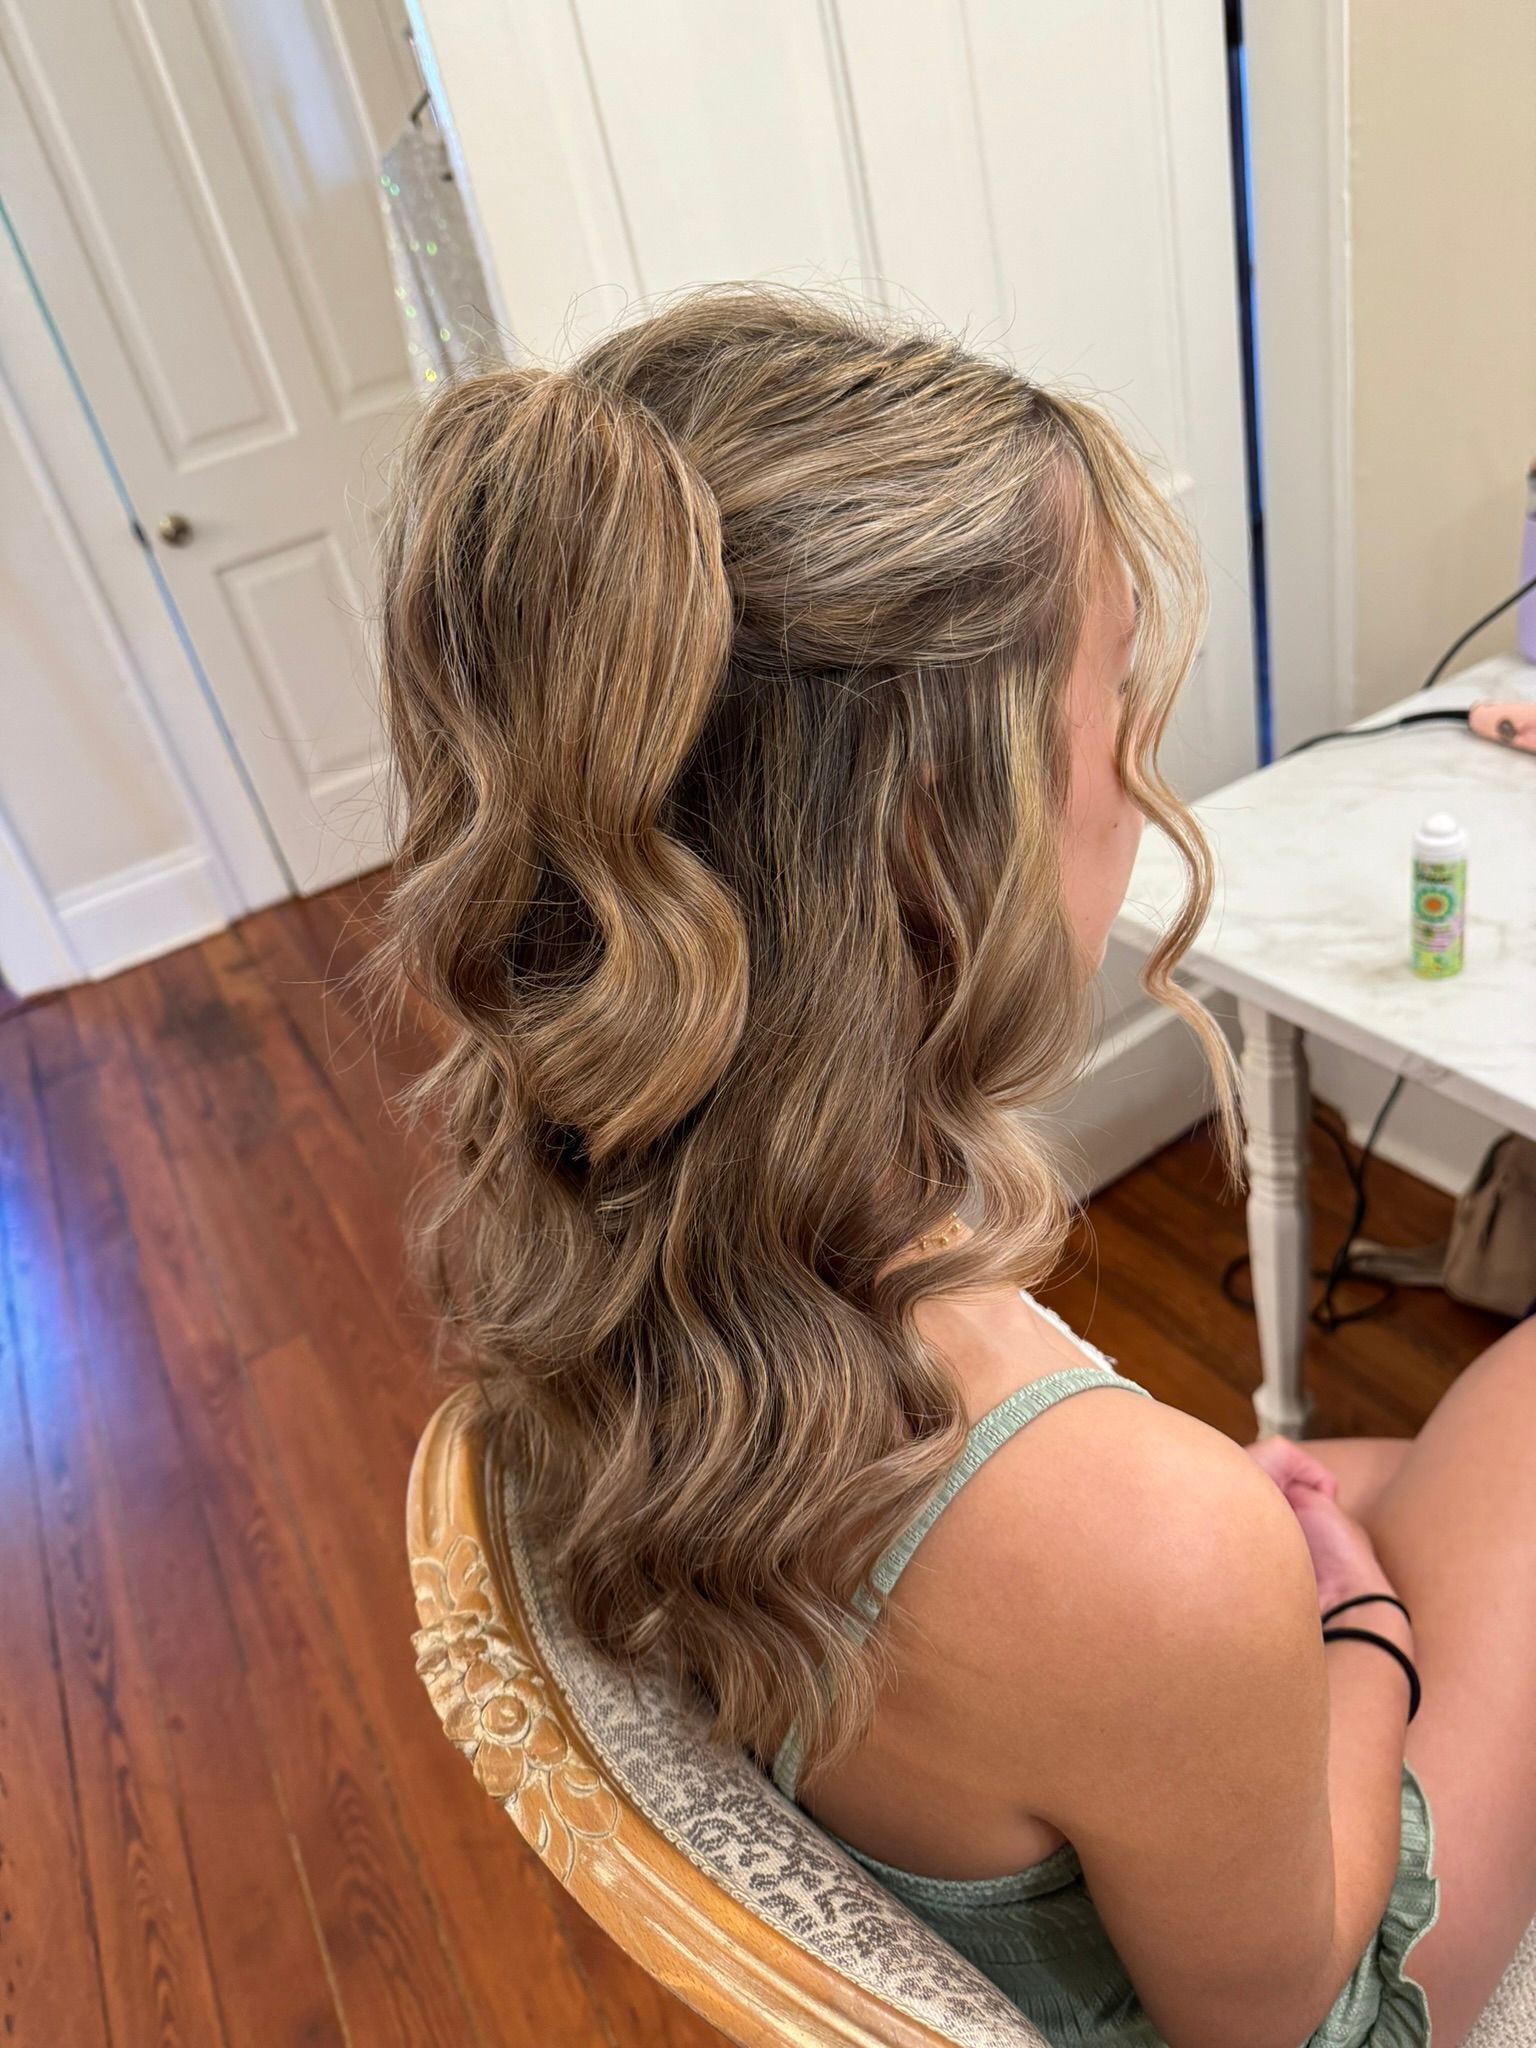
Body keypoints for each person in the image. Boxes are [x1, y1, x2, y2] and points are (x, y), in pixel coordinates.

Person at [374, 286, 1536, 2047]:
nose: (1138, 795)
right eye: (1116, 710)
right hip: (1321, 1982)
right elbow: (1288, 2017)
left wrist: (1257, 1554)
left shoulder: (567, 1214)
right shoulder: (1135, 1537)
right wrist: (1358, 1635)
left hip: (1078, 1661)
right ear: (944, 831)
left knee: (1385, 1453)